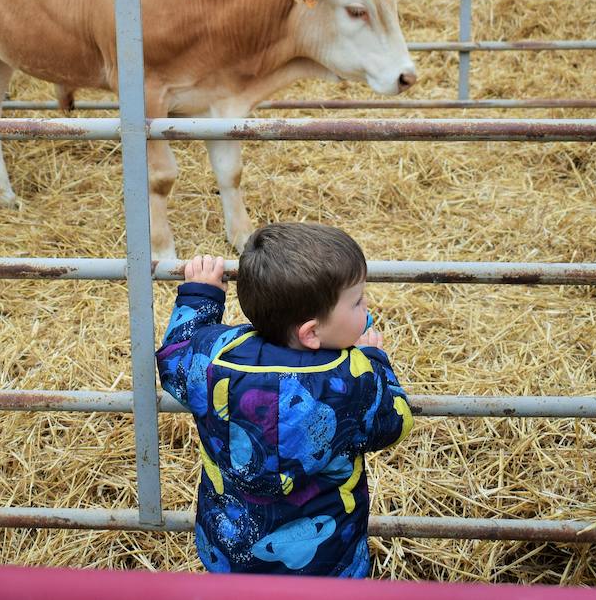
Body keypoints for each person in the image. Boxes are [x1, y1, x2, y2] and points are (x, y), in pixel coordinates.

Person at [155, 223, 413, 577]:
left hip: (231, 555)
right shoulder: (354, 378)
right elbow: (394, 422)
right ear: (311, 332)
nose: (366, 306)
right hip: (328, 561)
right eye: (357, 301)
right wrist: (377, 363)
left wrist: (201, 296)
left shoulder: (214, 356)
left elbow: (174, 357)